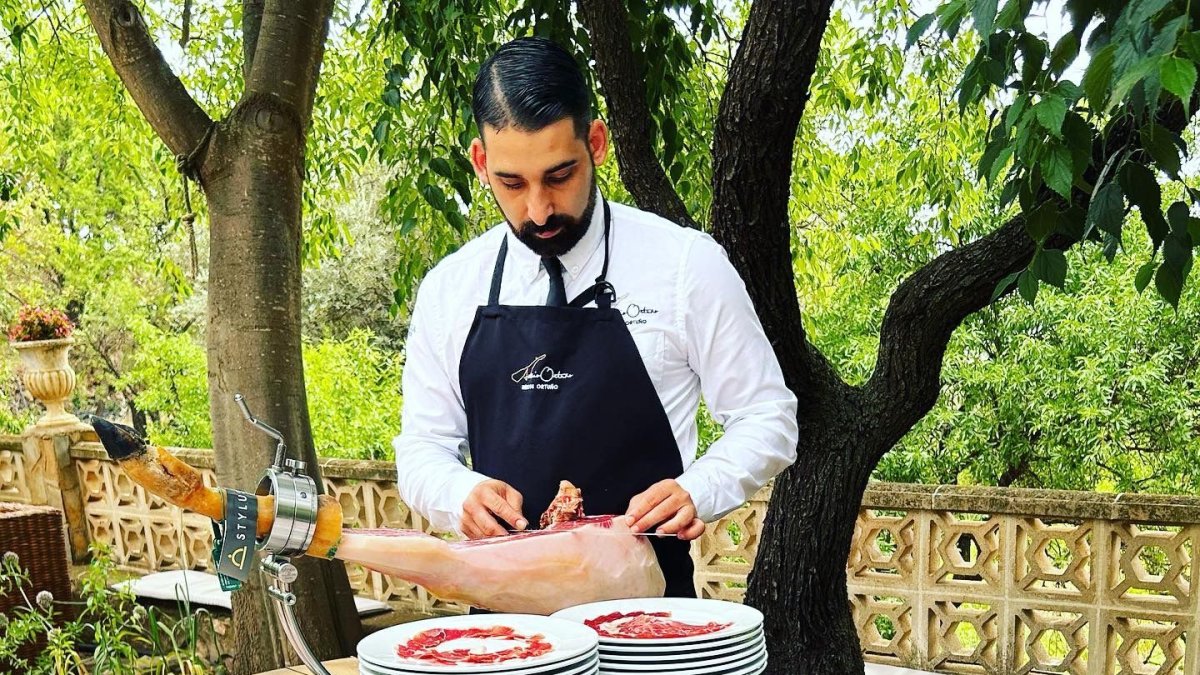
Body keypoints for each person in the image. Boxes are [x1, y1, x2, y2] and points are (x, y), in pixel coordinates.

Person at [392, 36, 797, 600]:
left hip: (651, 624)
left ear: (597, 143)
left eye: (559, 176)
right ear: (481, 163)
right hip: (510, 629)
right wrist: (458, 491)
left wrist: (699, 488)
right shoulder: (449, 288)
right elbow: (420, 448)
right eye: (511, 183)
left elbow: (768, 417)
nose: (537, 210)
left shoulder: (685, 264)